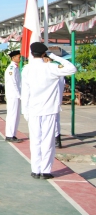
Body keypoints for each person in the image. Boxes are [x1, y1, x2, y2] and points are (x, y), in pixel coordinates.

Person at [21, 42, 76, 179]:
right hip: (49, 110)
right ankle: (45, 171)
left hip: (33, 109)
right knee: (48, 141)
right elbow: (72, 69)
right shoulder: (51, 67)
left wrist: (25, 111)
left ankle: (35, 170)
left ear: (32, 54)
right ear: (44, 53)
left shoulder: (27, 69)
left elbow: (25, 92)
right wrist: (54, 57)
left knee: (35, 140)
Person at [4, 50, 23, 143]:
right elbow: (13, 83)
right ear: (13, 58)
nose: (20, 58)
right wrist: (19, 94)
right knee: (12, 115)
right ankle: (9, 135)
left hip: (16, 95)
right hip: (13, 95)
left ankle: (13, 134)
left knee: (16, 116)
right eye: (18, 57)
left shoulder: (16, 68)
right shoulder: (11, 68)